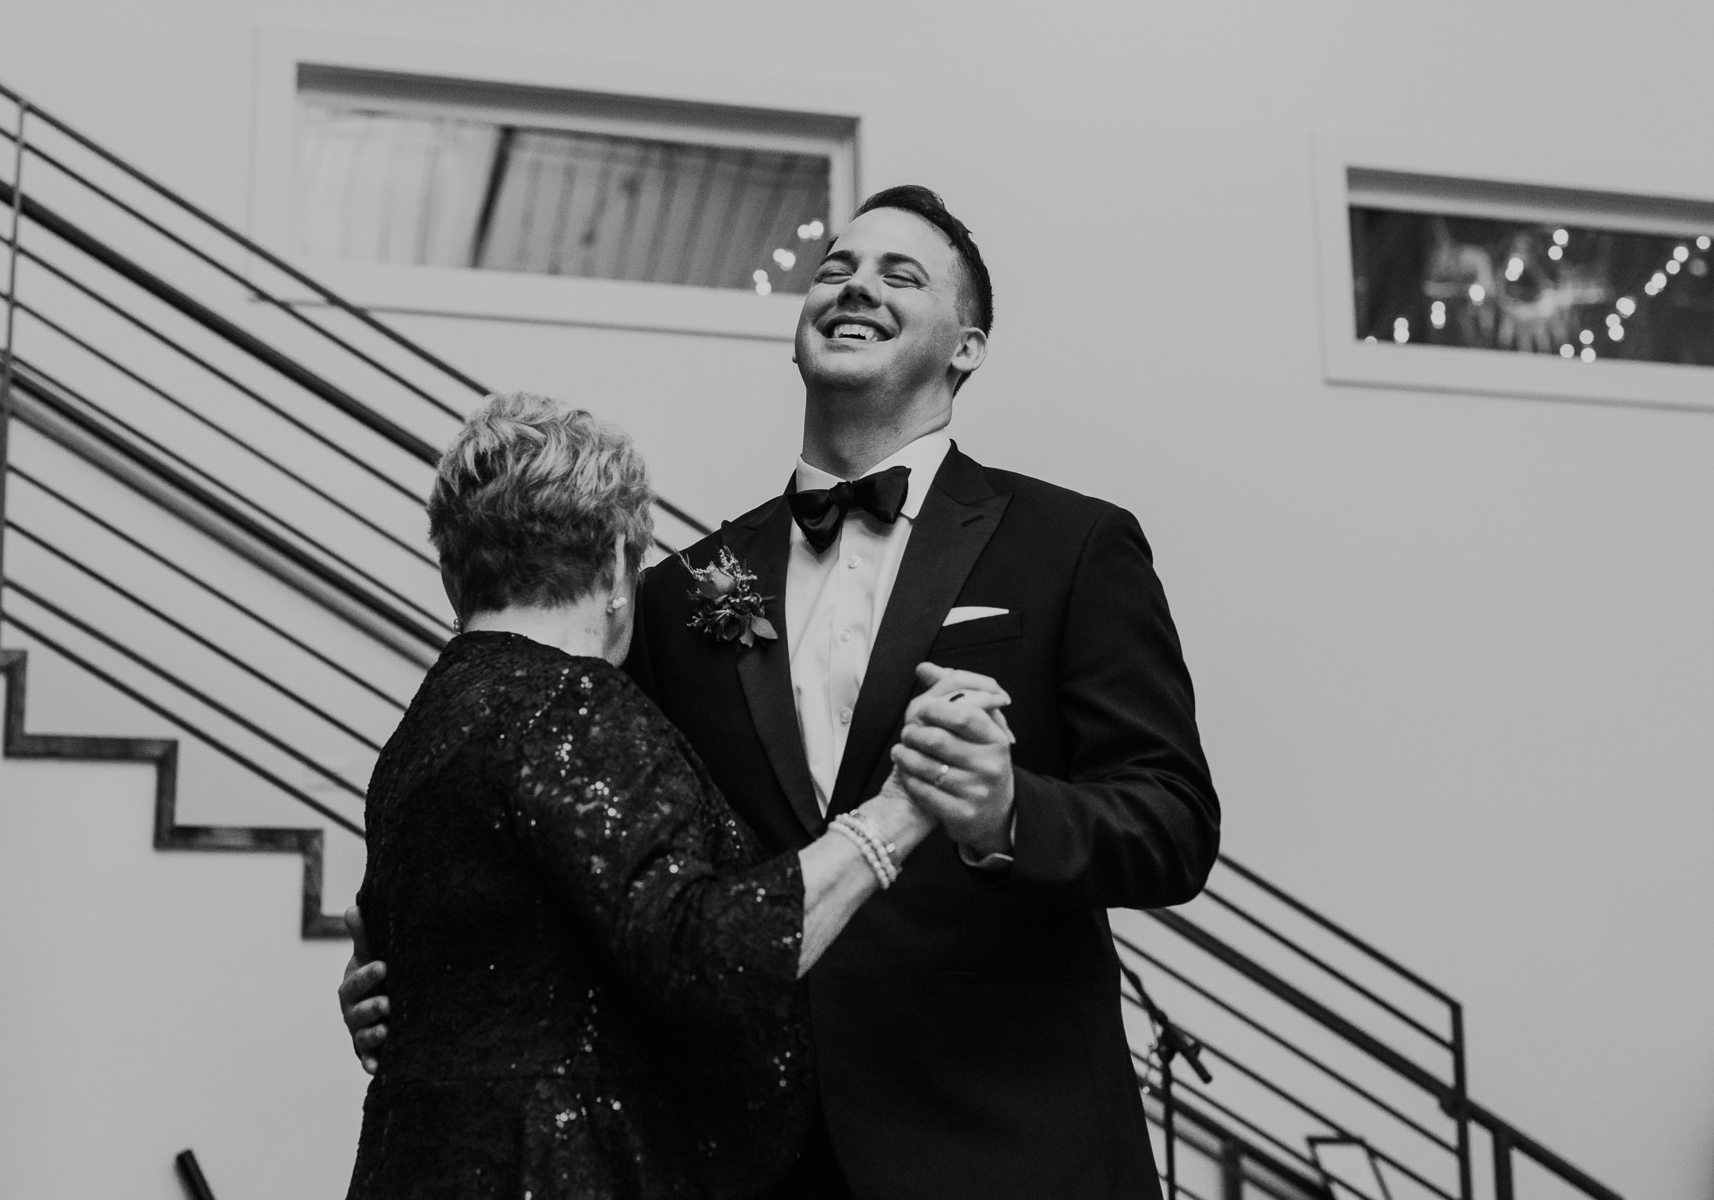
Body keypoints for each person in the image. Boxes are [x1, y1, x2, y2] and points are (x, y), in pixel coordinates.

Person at [344, 187, 1221, 1198]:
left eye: (902, 274)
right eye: (835, 270)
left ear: (967, 346)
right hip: (757, 1159)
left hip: (1007, 1140)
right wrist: (422, 969)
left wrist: (1006, 811)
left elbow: (1172, 822)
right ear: (797, 333)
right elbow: (573, 822)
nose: (856, 287)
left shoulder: (1070, 547)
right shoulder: (677, 591)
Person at [342, 391, 980, 1200]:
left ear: (449, 567)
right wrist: (904, 806)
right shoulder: (571, 704)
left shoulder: (422, 730)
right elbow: (702, 954)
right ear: (616, 562)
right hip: (553, 1172)